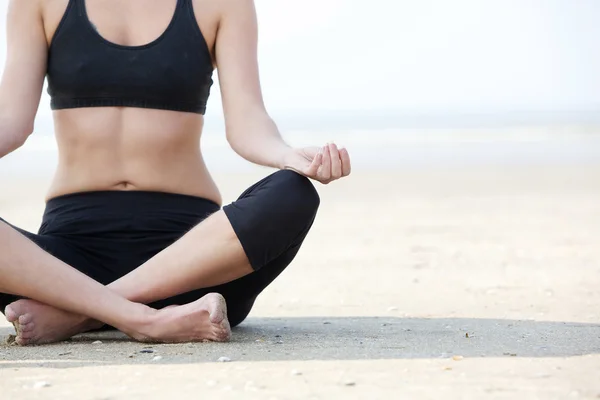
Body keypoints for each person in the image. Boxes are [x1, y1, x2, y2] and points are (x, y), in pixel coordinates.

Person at [0, 0, 351, 345]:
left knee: (293, 192)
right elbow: (11, 123)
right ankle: (141, 317)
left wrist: (287, 155)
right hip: (67, 259)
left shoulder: (224, 5)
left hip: (193, 262)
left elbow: (247, 122)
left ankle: (80, 312)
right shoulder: (37, 3)